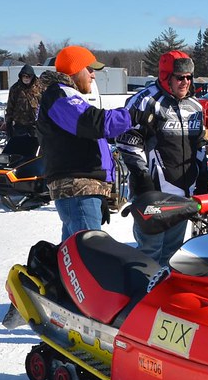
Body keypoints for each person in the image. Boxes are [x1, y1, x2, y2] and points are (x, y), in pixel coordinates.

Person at [37, 45, 149, 241]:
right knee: (89, 256)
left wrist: (99, 192)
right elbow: (93, 123)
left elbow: (88, 133)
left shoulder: (65, 95)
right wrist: (133, 115)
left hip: (83, 190)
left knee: (73, 257)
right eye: (89, 70)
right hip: (77, 189)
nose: (93, 75)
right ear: (74, 70)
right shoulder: (60, 95)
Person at [117, 50, 207, 266]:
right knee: (150, 255)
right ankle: (141, 297)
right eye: (179, 77)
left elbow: (200, 145)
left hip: (182, 197)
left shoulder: (194, 107)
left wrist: (201, 178)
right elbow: (127, 141)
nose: (185, 82)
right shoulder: (145, 101)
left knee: (173, 257)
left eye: (189, 77)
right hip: (153, 197)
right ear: (166, 76)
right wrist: (142, 179)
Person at [2, 64, 43, 138]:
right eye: (24, 76)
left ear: (32, 76)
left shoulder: (40, 88)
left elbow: (45, 105)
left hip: (36, 125)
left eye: (28, 76)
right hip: (20, 125)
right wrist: (8, 123)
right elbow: (10, 106)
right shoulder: (15, 88)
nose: (26, 78)